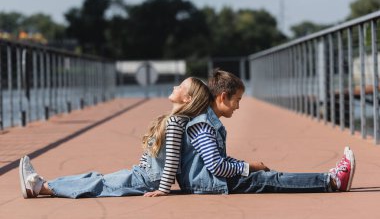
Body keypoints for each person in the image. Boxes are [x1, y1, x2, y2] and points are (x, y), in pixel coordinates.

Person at [19, 77, 212, 199]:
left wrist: (163, 189)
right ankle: (42, 185)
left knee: (97, 184)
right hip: (142, 174)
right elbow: (151, 154)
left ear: (187, 99)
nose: (174, 86)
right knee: (95, 179)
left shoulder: (176, 123)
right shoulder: (170, 120)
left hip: (147, 180)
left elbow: (172, 159)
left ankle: (39, 187)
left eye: (180, 86)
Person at [177, 69, 356, 194]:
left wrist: (245, 166)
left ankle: (330, 179)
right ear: (223, 97)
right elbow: (217, 166)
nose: (238, 106)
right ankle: (333, 180)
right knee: (270, 179)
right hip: (208, 184)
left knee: (268, 177)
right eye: (237, 100)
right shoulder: (204, 125)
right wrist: (249, 167)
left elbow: (217, 161)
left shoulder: (207, 121)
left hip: (209, 181)